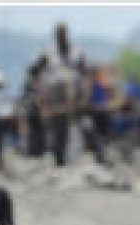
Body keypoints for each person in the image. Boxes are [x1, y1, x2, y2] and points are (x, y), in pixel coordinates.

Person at [38, 23, 83, 166]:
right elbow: (39, 73)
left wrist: (83, 96)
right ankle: (58, 159)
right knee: (56, 129)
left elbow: (85, 73)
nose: (61, 36)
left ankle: (70, 159)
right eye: (58, 33)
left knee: (71, 130)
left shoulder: (76, 51)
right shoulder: (49, 53)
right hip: (53, 97)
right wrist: (42, 99)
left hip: (72, 96)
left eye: (63, 33)